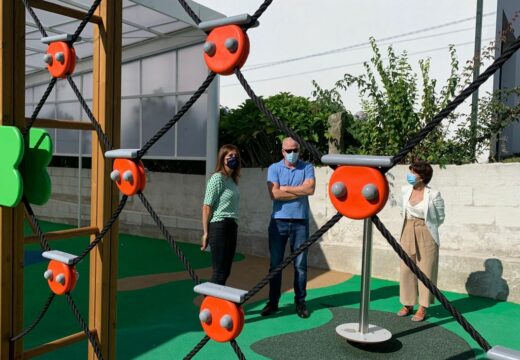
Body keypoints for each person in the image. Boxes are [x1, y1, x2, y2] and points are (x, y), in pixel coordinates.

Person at [261, 137, 315, 319]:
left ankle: (300, 302)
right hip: (278, 223)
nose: (292, 153)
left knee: (300, 265)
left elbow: (310, 190)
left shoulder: (307, 167)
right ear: (282, 151)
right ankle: (273, 302)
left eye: (295, 149)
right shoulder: (274, 168)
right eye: (289, 150)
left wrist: (285, 188)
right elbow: (273, 194)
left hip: (300, 222)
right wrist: (297, 191)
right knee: (275, 265)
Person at [397, 160, 445, 322]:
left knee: (426, 270)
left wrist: (424, 227)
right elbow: (400, 208)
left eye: (413, 173)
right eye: (410, 172)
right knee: (406, 269)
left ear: (422, 176)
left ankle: (423, 307)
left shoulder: (434, 194)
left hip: (426, 231)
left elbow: (440, 217)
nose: (410, 175)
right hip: (407, 229)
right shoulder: (405, 191)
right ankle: (407, 304)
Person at [201, 144, 241, 285]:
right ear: (223, 158)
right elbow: (207, 206)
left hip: (232, 225)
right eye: (230, 156)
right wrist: (206, 233)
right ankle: (209, 302)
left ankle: (218, 302)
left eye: (235, 156)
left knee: (226, 270)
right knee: (219, 271)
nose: (233, 158)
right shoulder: (217, 178)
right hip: (219, 226)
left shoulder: (232, 181)